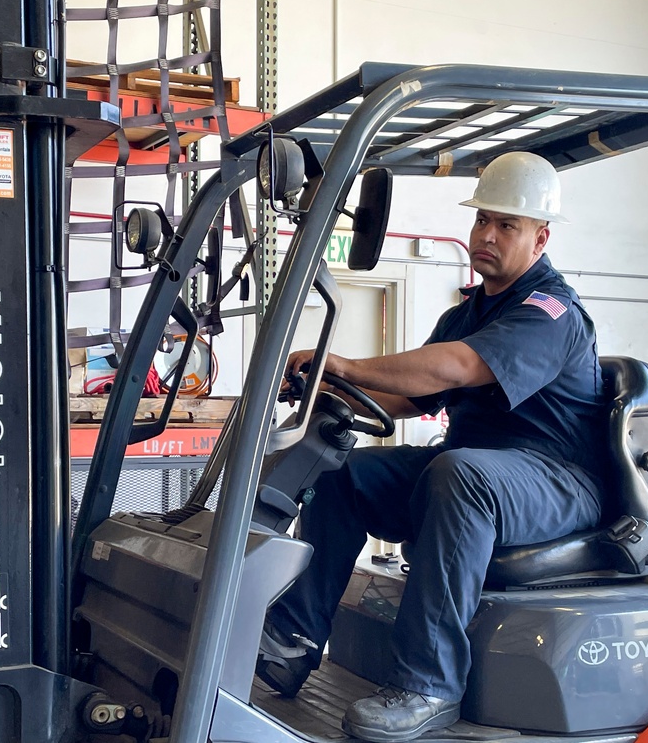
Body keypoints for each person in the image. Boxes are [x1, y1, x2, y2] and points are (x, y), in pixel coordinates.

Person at [255, 152, 608, 741]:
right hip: (479, 470)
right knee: (342, 474)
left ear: (540, 238)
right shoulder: (466, 313)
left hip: (557, 479)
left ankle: (429, 684)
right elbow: (412, 397)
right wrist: (333, 388)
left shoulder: (549, 312)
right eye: (482, 221)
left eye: (507, 226)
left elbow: (457, 369)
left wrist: (347, 361)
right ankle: (290, 641)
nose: (487, 236)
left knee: (460, 474)